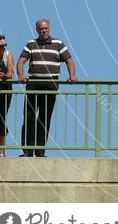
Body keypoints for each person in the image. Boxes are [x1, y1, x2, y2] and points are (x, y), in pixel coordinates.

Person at [16, 19, 77, 157]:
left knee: (44, 117)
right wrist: (20, 74)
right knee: (29, 116)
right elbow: (21, 60)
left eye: (46, 28)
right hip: (34, 83)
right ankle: (27, 151)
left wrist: (72, 75)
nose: (44, 31)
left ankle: (40, 151)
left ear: (49, 29)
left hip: (51, 83)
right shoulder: (31, 44)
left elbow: (69, 60)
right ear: (37, 30)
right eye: (41, 29)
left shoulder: (58, 44)